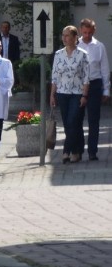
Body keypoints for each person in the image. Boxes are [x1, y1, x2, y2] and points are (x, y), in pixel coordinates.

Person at [50, 25, 90, 164]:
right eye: (63, 35)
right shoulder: (58, 54)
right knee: (69, 124)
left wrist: (84, 96)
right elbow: (54, 76)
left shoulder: (82, 54)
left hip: (77, 93)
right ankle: (77, 150)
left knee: (73, 120)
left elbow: (86, 77)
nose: (64, 38)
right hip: (62, 92)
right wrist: (52, 94)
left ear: (75, 38)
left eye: (67, 35)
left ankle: (67, 151)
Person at [78, 18, 110, 161]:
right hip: (78, 86)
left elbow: (104, 69)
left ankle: (92, 151)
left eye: (90, 32)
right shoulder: (75, 44)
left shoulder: (99, 46)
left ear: (94, 31)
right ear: (80, 30)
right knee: (76, 119)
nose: (87, 35)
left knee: (93, 120)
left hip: (95, 84)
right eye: (85, 32)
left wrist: (106, 90)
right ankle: (77, 150)